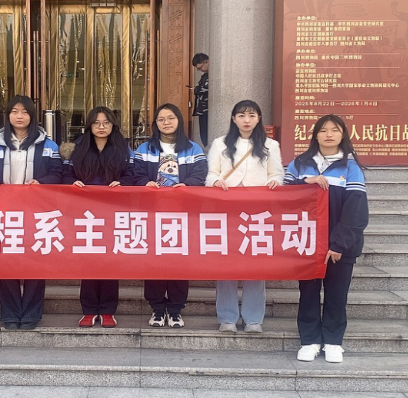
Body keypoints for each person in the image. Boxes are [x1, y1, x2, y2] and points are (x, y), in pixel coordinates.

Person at [284, 114, 368, 363]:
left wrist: (339, 243)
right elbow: (282, 196)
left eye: (335, 130)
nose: (329, 134)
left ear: (343, 135)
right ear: (315, 135)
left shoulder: (350, 167)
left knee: (337, 294)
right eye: (323, 130)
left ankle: (333, 341)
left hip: (340, 246)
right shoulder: (299, 163)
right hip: (306, 242)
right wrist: (305, 181)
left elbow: (356, 210)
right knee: (308, 293)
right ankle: (309, 340)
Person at [0, 95, 63, 331]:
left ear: (32, 116)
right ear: (7, 115)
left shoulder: (48, 145)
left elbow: (58, 174)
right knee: (6, 263)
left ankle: (30, 314)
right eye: (15, 111)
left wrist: (42, 182)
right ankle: (9, 313)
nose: (19, 116)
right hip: (3, 212)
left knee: (35, 262)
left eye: (24, 112)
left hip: (37, 212)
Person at [205, 99, 284, 334]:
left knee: (256, 264)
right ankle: (227, 317)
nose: (246, 120)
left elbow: (277, 174)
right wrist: (215, 181)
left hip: (258, 211)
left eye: (251, 115)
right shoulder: (220, 143)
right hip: (226, 210)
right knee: (226, 263)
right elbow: (211, 173)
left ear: (259, 118)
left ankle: (253, 318)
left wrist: (275, 181)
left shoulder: (271, 145)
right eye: (241, 115)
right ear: (233, 119)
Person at [133, 103, 207, 328]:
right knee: (154, 261)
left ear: (179, 120)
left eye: (171, 118)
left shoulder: (193, 148)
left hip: (182, 214)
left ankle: (175, 309)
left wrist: (187, 184)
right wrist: (145, 183)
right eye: (161, 119)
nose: (166, 122)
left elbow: (201, 173)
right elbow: (135, 174)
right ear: (155, 123)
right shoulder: (145, 148)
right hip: (152, 214)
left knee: (178, 261)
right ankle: (157, 308)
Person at [62, 106, 135, 328]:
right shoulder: (78, 149)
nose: (101, 127)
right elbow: (65, 174)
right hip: (86, 214)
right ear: (89, 126)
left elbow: (133, 175)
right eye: (96, 123)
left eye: (106, 123)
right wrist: (72, 183)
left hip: (113, 213)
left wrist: (122, 183)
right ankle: (89, 309)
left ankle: (108, 310)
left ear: (113, 125)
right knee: (89, 260)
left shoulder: (124, 150)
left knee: (110, 261)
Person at [191, 53, 209, 146]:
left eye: (200, 67)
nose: (200, 70)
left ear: (206, 62)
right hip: (202, 110)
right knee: (203, 134)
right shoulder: (205, 76)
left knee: (206, 134)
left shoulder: (212, 74)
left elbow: (208, 88)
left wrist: (196, 90)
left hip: (208, 109)